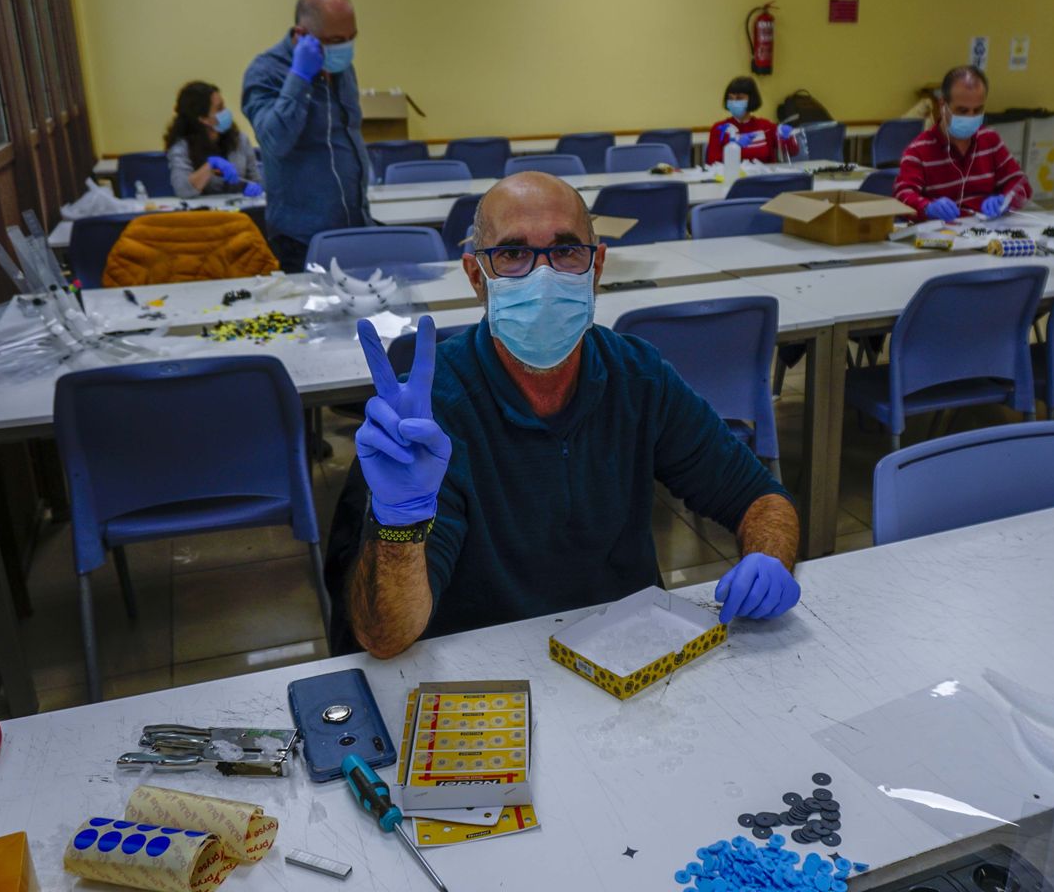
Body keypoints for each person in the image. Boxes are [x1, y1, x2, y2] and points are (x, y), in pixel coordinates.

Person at [326, 172, 802, 658]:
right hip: (493, 671)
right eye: (513, 254)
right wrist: (399, 527)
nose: (544, 276)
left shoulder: (637, 377)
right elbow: (386, 635)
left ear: (595, 267)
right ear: (476, 277)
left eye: (566, 250)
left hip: (625, 655)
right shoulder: (432, 415)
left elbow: (760, 497)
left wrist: (769, 558)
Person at [242, 0, 371, 272]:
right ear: (302, 34)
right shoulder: (265, 72)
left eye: (352, 38)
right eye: (337, 40)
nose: (345, 47)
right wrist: (299, 77)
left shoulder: (342, 68)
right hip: (301, 239)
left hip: (354, 223)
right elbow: (274, 141)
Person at [893, 65, 1032, 222]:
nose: (971, 117)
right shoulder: (918, 152)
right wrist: (927, 207)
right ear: (942, 105)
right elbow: (902, 195)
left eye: (977, 110)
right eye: (962, 111)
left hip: (987, 233)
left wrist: (1007, 200)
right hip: (943, 236)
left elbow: (1022, 185)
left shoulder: (990, 140)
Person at [164, 81, 263, 200]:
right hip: (202, 214)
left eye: (224, 106)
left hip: (239, 212)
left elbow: (256, 179)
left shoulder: (240, 140)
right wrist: (210, 166)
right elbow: (183, 190)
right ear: (203, 119)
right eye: (219, 108)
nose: (226, 112)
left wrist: (256, 187)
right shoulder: (181, 147)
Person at [705, 76, 799, 165]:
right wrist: (734, 149)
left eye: (739, 98)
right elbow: (712, 162)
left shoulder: (766, 127)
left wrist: (787, 138)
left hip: (762, 178)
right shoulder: (719, 129)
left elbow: (793, 152)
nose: (734, 102)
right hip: (731, 178)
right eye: (730, 98)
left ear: (751, 100)